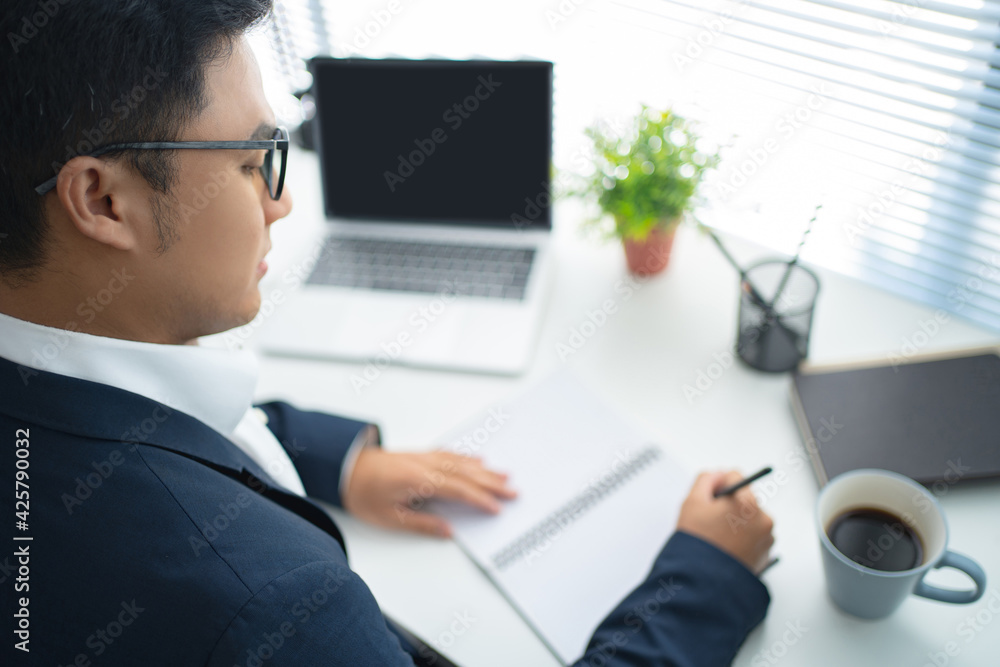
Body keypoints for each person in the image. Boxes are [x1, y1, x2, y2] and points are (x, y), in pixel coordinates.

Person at [0, 1, 774, 665]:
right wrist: (703, 577)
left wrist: (345, 462)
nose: (282, 205)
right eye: (252, 160)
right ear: (102, 201)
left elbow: (159, 423)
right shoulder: (282, 606)